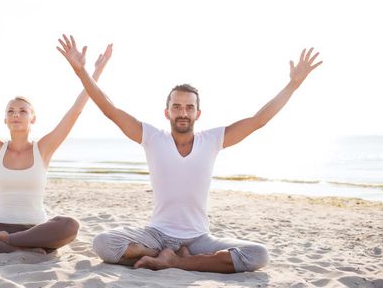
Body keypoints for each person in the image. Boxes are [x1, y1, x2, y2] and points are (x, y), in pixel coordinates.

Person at [58, 34, 323, 273]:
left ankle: (174, 261)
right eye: (176, 107)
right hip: (157, 234)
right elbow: (110, 110)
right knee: (103, 243)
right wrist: (82, 71)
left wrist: (293, 84)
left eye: (188, 107)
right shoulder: (152, 138)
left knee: (258, 254)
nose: (182, 113)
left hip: (198, 239)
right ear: (167, 112)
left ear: (198, 113)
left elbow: (258, 120)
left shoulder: (212, 140)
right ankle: (160, 255)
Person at [0, 39, 111, 254]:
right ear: (5, 120)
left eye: (23, 111)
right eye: (10, 111)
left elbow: (75, 111)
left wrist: (94, 73)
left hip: (35, 228)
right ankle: (15, 247)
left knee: (70, 225)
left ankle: (8, 242)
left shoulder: (43, 149)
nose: (16, 114)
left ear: (33, 119)